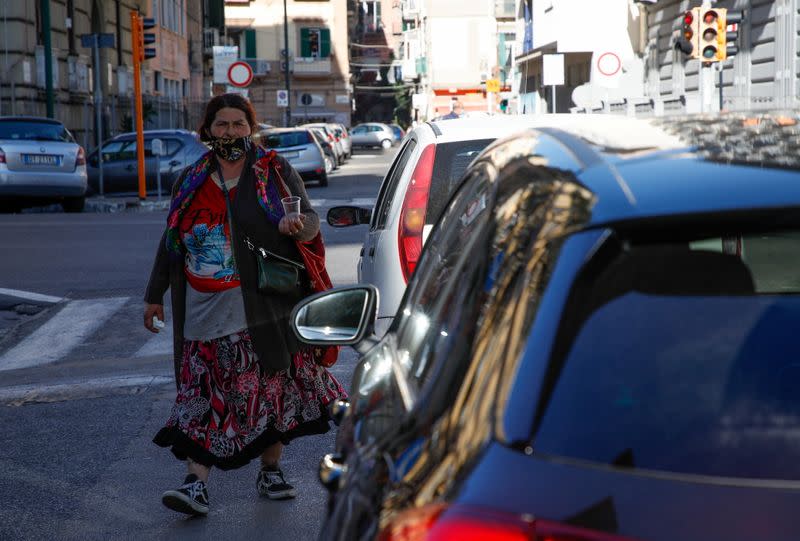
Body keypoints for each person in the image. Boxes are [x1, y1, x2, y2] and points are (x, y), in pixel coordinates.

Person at [144, 93, 346, 517]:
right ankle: (195, 484)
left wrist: (295, 225)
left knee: (268, 396)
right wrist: (153, 296)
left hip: (262, 309)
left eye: (238, 124)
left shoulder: (273, 171)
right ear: (208, 130)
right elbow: (171, 242)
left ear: (250, 128)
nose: (230, 132)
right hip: (202, 312)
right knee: (201, 399)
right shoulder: (191, 180)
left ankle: (270, 470)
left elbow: (308, 220)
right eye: (222, 124)